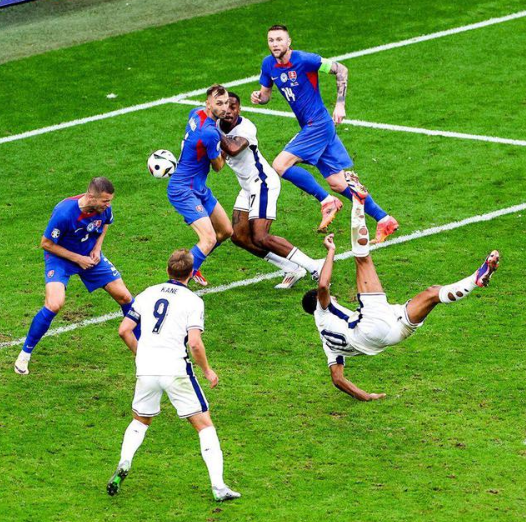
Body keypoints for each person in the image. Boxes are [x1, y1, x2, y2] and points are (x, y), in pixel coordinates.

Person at [302, 175, 500, 401]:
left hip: (390, 336)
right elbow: (323, 285)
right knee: (362, 259)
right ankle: (358, 200)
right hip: (370, 326)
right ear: (318, 301)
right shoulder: (322, 311)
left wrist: (366, 396)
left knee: (433, 293)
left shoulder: (327, 343)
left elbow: (337, 379)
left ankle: (476, 278)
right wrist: (331, 251)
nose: (334, 298)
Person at [107, 249, 240, 502]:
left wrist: (141, 354)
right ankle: (219, 487)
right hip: (175, 369)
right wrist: (207, 370)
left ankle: (125, 461)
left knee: (140, 421)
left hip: (146, 368)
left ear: (168, 270)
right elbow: (195, 344)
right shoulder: (193, 301)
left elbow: (124, 330)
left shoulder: (147, 293)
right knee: (204, 425)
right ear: (191, 273)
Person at [251, 24, 398, 241]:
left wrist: (340, 104)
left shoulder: (305, 60)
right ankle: (384, 219)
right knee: (338, 183)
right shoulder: (268, 64)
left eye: (279, 39)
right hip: (312, 127)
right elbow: (266, 95)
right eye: (271, 40)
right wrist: (258, 97)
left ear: (289, 42)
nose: (275, 44)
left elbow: (341, 70)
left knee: (280, 165)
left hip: (318, 124)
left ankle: (327, 201)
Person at [14, 177, 138, 375]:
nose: (108, 205)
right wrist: (78, 259)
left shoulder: (104, 208)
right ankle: (25, 354)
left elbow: (106, 223)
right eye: (105, 201)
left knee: (124, 296)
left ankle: (143, 348)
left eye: (110, 201)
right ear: (91, 197)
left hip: (88, 254)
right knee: (54, 304)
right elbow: (46, 243)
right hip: (61, 258)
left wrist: (97, 248)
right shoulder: (64, 213)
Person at [219, 91, 323, 289]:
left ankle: (314, 265)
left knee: (260, 236)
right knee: (239, 236)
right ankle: (291, 268)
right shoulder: (216, 126)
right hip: (247, 187)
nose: (229, 111)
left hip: (263, 183)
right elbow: (219, 163)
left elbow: (232, 148)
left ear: (239, 109)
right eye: (226, 106)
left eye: (234, 107)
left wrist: (209, 130)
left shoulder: (246, 128)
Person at [168, 84, 233, 287]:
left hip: (198, 187)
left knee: (225, 231)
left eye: (227, 103)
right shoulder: (210, 133)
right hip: (183, 189)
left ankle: (193, 266)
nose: (224, 108)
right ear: (208, 103)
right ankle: (176, 285)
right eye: (219, 103)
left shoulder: (195, 113)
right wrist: (228, 150)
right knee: (209, 238)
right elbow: (218, 167)